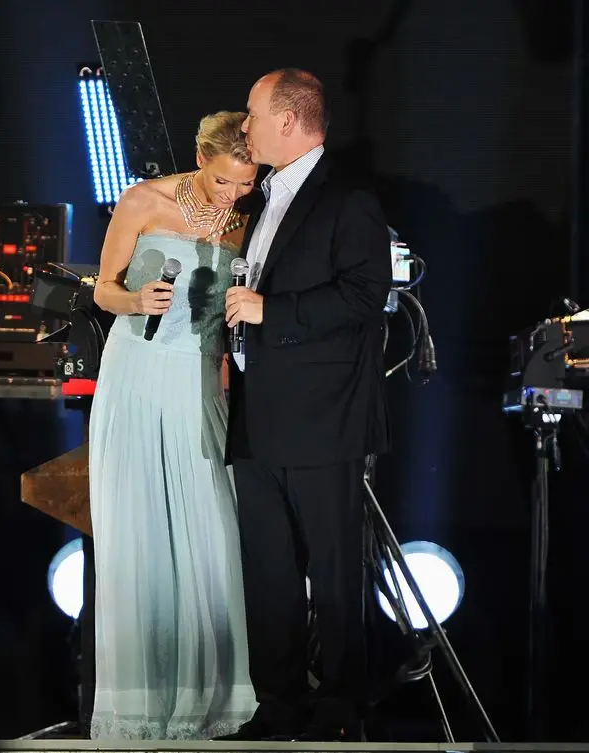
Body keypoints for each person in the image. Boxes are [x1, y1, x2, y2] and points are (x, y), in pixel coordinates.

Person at [221, 68, 391, 742]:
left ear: (289, 120)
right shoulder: (261, 200)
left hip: (324, 418)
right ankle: (280, 705)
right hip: (258, 416)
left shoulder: (346, 199)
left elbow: (364, 295)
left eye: (254, 113)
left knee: (334, 572)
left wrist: (271, 310)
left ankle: (343, 708)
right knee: (269, 575)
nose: (244, 125)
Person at [87, 111, 259, 740]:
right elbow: (100, 287)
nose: (233, 194)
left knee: (209, 532)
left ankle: (208, 696)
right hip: (137, 367)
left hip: (199, 379)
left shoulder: (247, 216)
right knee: (141, 534)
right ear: (201, 159)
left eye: (245, 183)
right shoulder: (144, 201)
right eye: (224, 182)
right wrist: (133, 300)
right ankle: (140, 703)